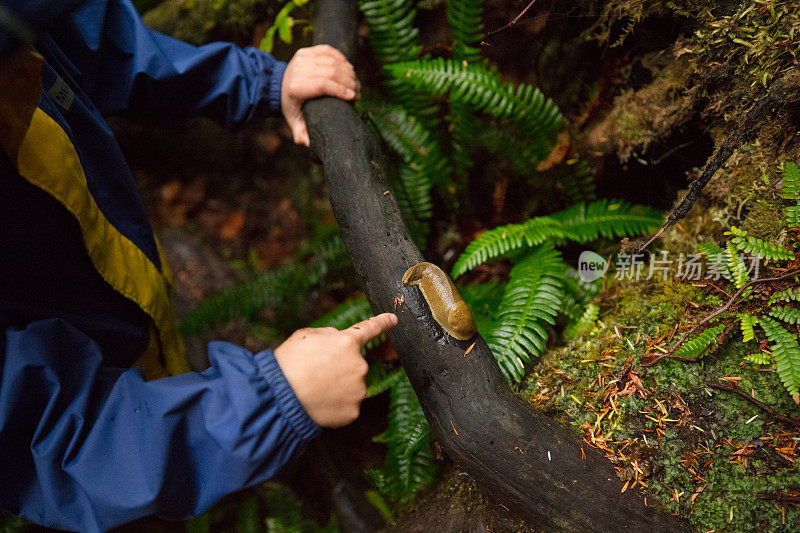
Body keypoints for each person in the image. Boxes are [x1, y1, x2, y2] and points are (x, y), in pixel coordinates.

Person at [0, 1, 398, 531]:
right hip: (89, 476)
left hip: (129, 318)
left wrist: (258, 81)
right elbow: (45, 444)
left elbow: (101, 42)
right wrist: (267, 405)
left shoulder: (21, 31)